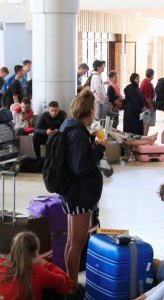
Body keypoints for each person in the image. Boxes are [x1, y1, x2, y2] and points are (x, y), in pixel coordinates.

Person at [58, 88, 106, 284]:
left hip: (71, 192)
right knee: (77, 244)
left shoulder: (69, 127)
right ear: (90, 111)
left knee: (72, 242)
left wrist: (91, 142)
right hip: (79, 194)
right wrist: (99, 149)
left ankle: (68, 282)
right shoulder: (77, 133)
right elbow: (80, 166)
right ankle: (71, 287)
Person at [139, 69, 156, 135]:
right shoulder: (147, 83)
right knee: (146, 124)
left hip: (145, 106)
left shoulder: (145, 81)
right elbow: (147, 97)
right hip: (146, 107)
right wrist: (151, 107)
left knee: (146, 124)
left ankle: (144, 137)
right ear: (152, 75)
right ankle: (144, 138)